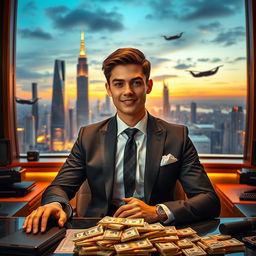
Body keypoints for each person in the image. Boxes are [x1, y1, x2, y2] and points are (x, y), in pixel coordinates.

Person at [23, 48, 220, 234]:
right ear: (108, 89)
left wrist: (157, 212)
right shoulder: (88, 136)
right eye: (118, 84)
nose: (128, 91)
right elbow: (59, 187)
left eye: (136, 82)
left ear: (148, 86)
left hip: (156, 233)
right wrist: (55, 204)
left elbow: (209, 200)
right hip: (99, 233)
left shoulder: (177, 136)